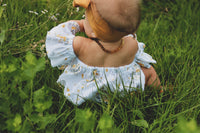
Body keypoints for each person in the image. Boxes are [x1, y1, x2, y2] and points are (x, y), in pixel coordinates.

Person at [45, 0, 161, 105]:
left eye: (86, 18)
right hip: (123, 91)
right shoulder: (131, 43)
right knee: (148, 71)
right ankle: (159, 90)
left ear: (94, 32)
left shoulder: (81, 45)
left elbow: (57, 35)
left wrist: (78, 25)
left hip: (89, 93)